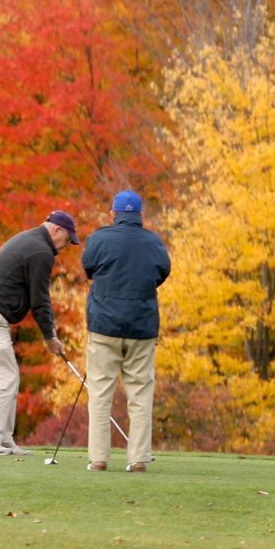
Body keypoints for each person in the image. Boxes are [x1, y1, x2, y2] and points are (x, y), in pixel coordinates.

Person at [0, 210, 80, 455]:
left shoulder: (31, 240)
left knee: (8, 376)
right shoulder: (41, 251)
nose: (66, 246)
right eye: (67, 239)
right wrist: (50, 338)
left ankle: (2, 438)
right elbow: (40, 300)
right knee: (1, 379)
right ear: (56, 229)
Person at [81, 190, 171, 472]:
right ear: (140, 216)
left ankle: (98, 458)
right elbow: (162, 273)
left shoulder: (99, 238)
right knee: (141, 395)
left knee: (100, 393)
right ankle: (139, 459)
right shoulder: (153, 242)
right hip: (142, 327)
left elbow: (89, 269)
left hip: (104, 327)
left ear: (113, 214)